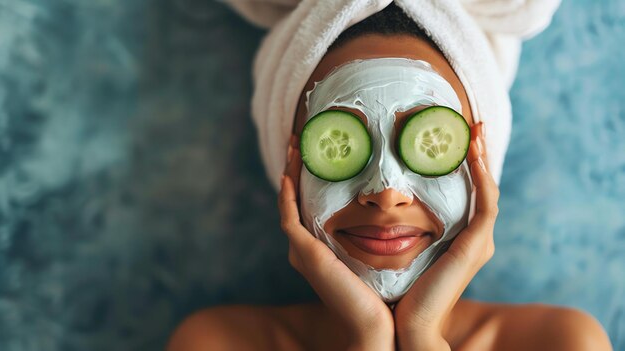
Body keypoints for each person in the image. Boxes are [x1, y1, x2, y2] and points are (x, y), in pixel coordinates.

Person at [167, 3, 613, 350]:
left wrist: (422, 335)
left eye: (430, 144)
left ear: (483, 164)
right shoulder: (216, 343)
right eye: (339, 146)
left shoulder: (560, 342)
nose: (386, 192)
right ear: (288, 164)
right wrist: (367, 340)